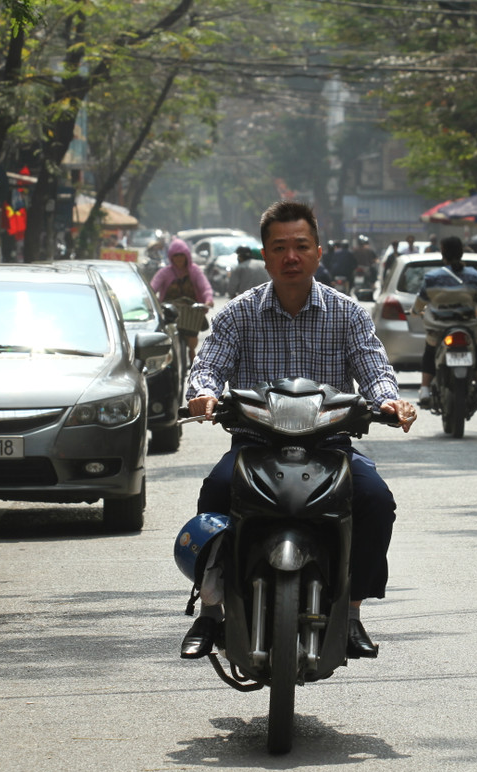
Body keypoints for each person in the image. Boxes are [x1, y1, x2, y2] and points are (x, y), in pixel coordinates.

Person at [179, 199, 417, 662]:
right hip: (255, 445)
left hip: (330, 447)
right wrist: (203, 394)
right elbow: (207, 365)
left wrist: (388, 400)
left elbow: (374, 368)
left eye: (301, 246)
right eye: (280, 247)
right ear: (265, 256)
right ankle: (210, 610)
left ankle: (350, 612)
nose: (291, 257)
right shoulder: (238, 314)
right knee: (215, 494)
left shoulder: (347, 313)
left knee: (375, 501)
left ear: (318, 252)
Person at [412, 236, 477, 409]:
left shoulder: (432, 277)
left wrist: (415, 312)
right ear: (461, 252)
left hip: (438, 328)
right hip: (468, 327)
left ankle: (424, 389)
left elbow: (420, 302)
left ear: (443, 253)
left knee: (430, 351)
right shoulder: (474, 275)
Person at [150, 237, 214, 361]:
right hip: (169, 310)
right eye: (176, 255)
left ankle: (192, 352)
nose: (179, 258)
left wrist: (208, 299)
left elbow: (205, 286)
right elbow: (153, 287)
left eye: (181, 255)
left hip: (191, 310)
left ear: (187, 256)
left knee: (192, 335)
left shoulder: (195, 271)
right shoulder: (165, 272)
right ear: (171, 257)